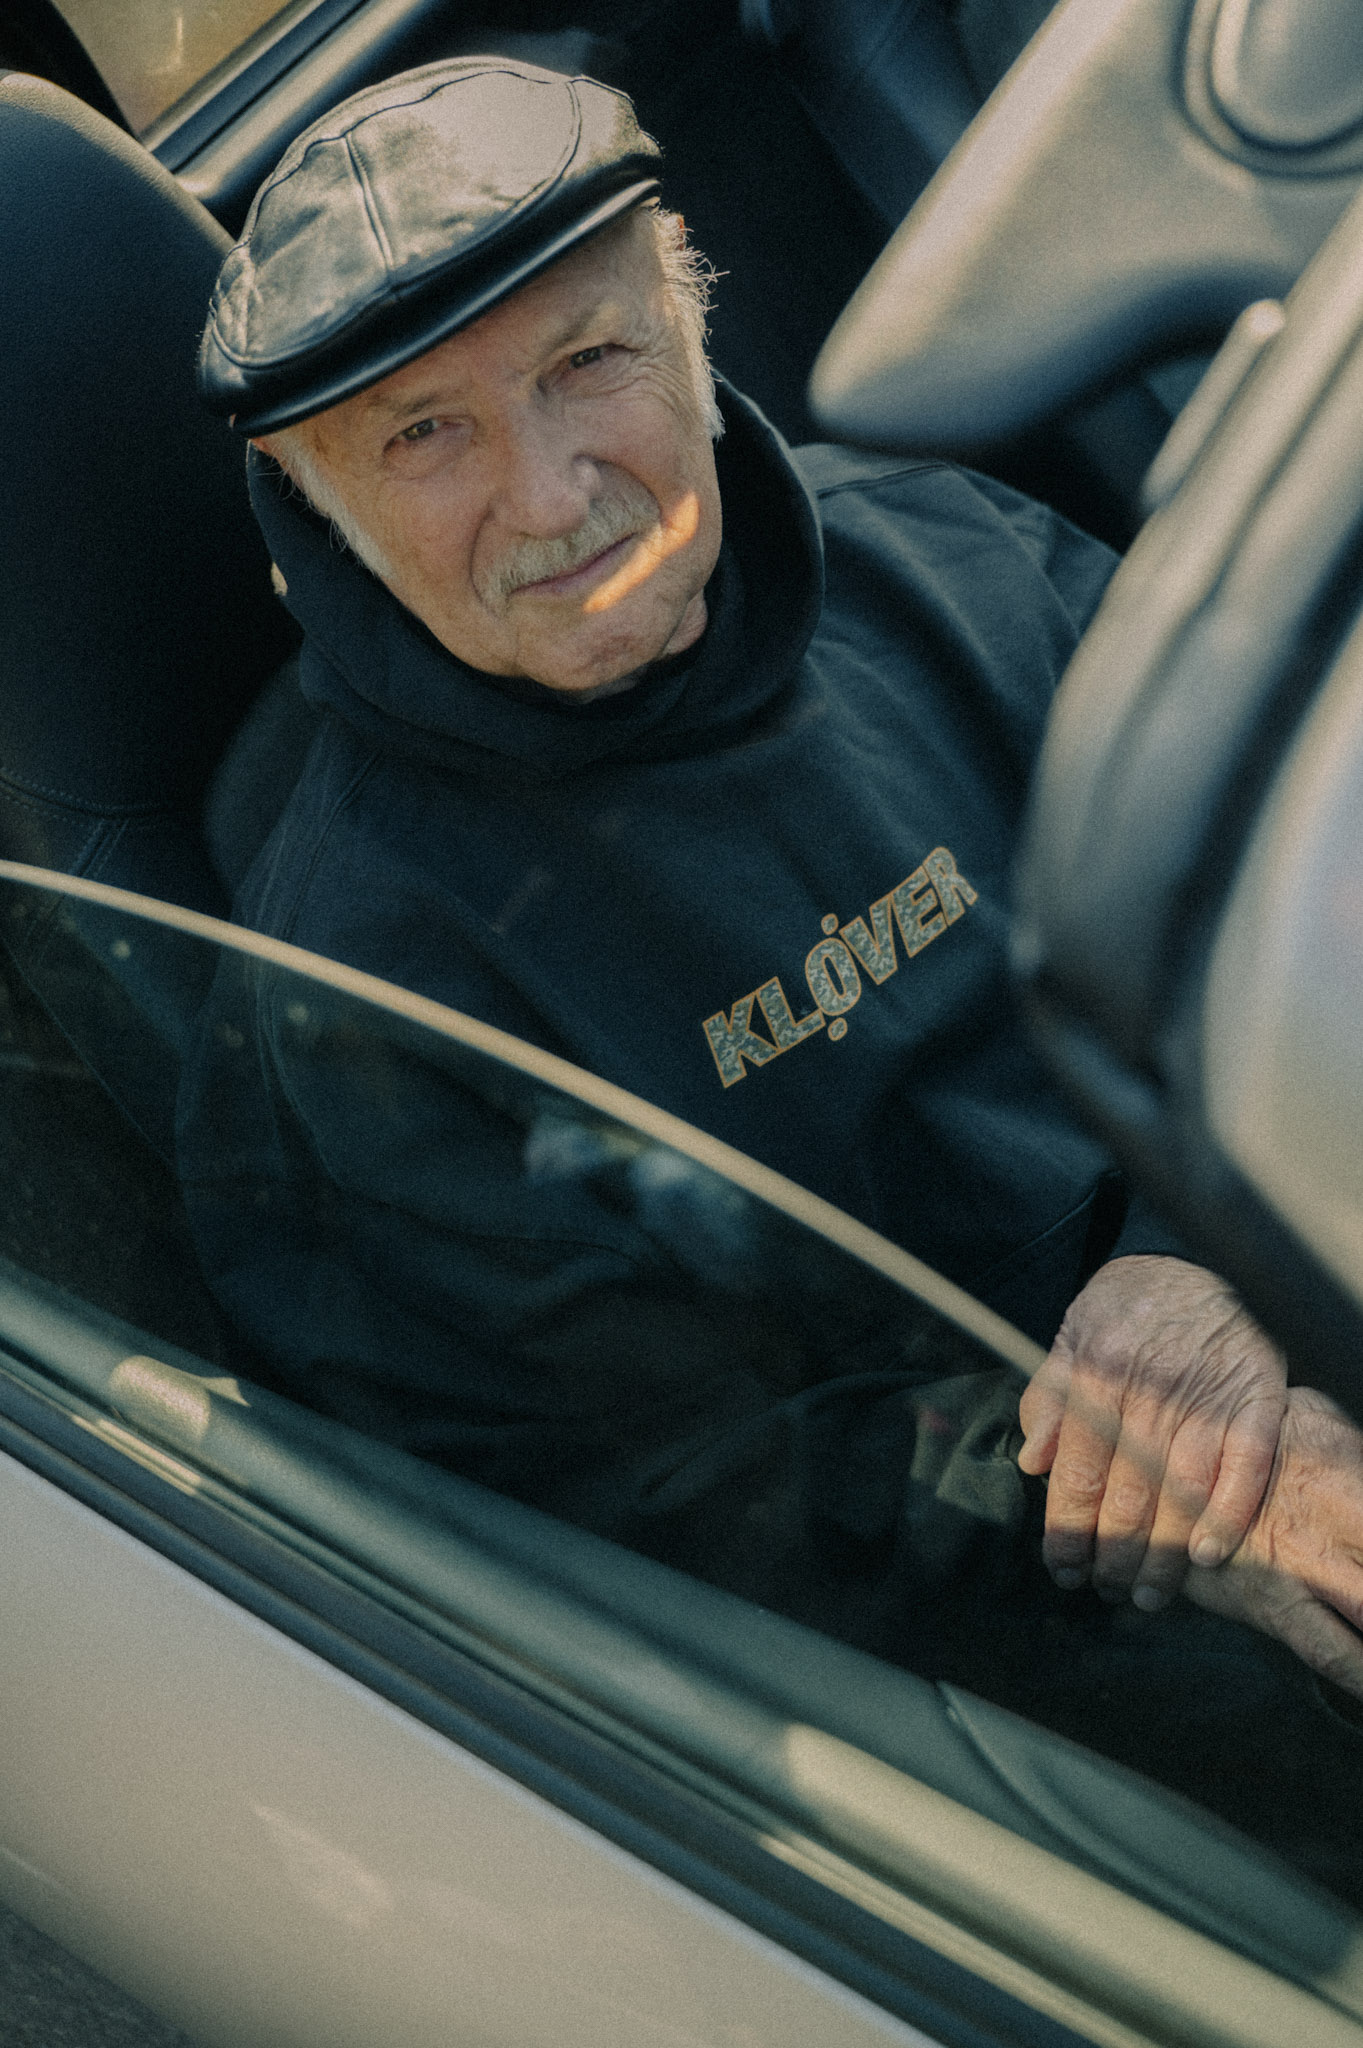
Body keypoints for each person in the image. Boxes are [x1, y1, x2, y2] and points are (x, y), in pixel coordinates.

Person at [184, 56, 1363, 1728]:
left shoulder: (950, 553)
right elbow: (691, 1501)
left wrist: (1208, 1272)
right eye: (425, 435)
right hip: (1013, 1615)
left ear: (692, 338)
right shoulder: (352, 1003)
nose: (550, 493)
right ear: (322, 512)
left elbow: (1298, 887)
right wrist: (1206, 1496)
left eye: (589, 363)